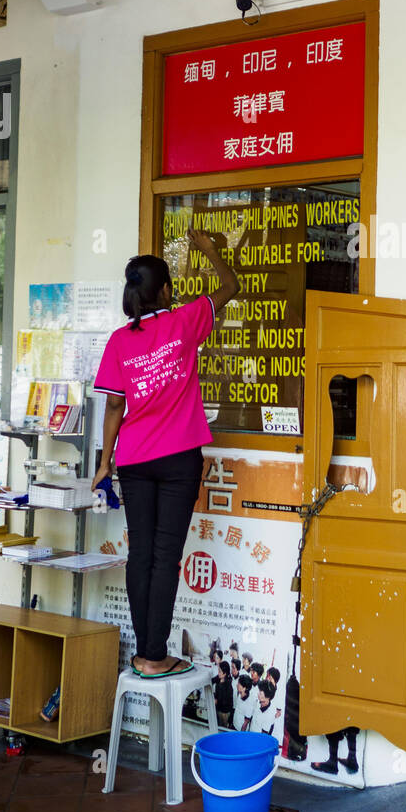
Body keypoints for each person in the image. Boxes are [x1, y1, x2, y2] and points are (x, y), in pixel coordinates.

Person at [92, 229, 238, 677]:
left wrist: (104, 461)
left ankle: (145, 651)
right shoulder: (184, 321)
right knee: (166, 554)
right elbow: (231, 288)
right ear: (167, 291)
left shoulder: (120, 341)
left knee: (142, 553)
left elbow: (115, 404)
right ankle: (155, 656)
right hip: (178, 460)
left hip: (134, 460)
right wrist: (212, 251)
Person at [214, 659, 234, 726]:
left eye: (220, 671)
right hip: (219, 709)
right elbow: (211, 680)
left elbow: (225, 702)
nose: (218, 673)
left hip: (224, 712)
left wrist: (216, 701)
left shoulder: (228, 686)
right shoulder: (219, 678)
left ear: (224, 673)